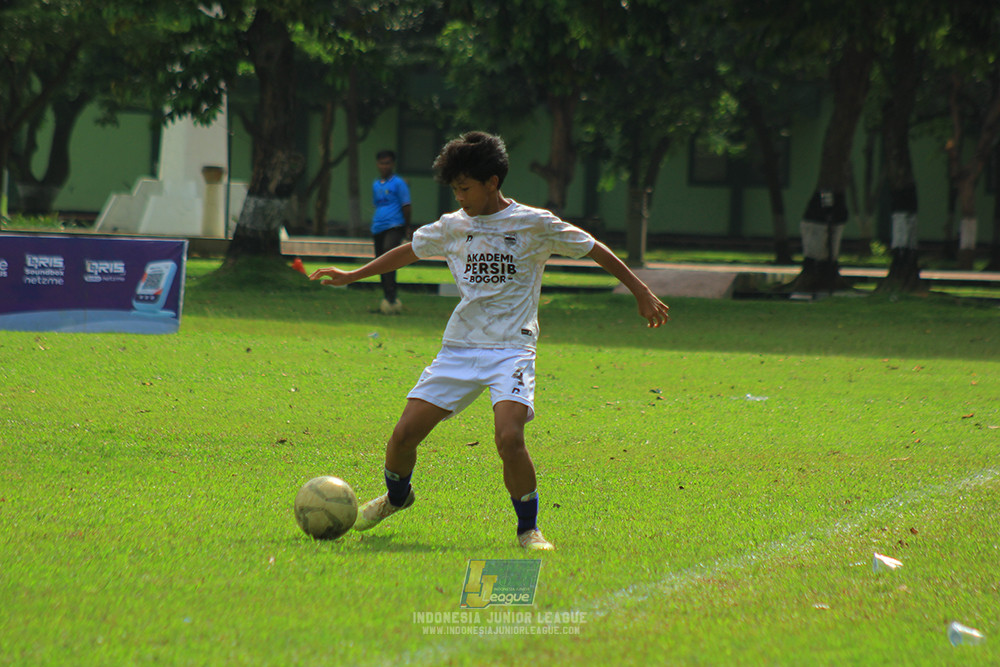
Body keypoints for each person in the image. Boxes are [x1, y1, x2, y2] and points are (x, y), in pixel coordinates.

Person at [310, 131, 669, 551]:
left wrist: (640, 291)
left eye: (465, 188)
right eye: (454, 188)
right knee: (403, 436)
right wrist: (353, 275)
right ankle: (396, 497)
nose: (459, 196)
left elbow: (594, 249)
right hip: (460, 348)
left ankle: (528, 529)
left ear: (492, 183)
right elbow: (409, 250)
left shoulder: (534, 223)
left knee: (509, 438)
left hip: (512, 349)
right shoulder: (453, 226)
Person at [371, 149, 412, 314]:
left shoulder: (399, 183)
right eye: (381, 163)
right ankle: (387, 298)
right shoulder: (376, 184)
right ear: (377, 164)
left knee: (389, 259)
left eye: (388, 163)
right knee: (380, 263)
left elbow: (406, 205)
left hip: (395, 226)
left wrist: (406, 227)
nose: (384, 166)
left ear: (392, 164)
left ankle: (392, 298)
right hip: (378, 227)